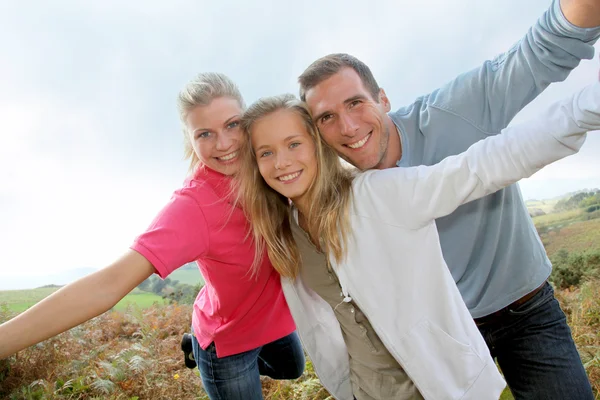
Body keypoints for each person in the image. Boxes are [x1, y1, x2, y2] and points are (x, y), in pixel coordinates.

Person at [295, 1, 600, 398]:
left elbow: (542, 49)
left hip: (525, 310)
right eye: (327, 117)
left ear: (383, 99)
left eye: (355, 103)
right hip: (446, 335)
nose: (348, 126)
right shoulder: (345, 195)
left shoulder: (452, 112)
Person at [235, 82, 600, 400]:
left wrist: (585, 105)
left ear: (316, 145)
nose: (281, 162)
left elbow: (479, 167)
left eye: (293, 144)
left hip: (445, 389)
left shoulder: (377, 195)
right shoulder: (285, 232)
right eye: (266, 152)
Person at [0, 72, 304, 400]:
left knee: (292, 368)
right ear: (190, 140)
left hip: (269, 319)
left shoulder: (269, 163)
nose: (224, 143)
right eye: (205, 134)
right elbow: (107, 285)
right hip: (228, 342)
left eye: (232, 125)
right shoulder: (194, 207)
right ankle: (202, 354)